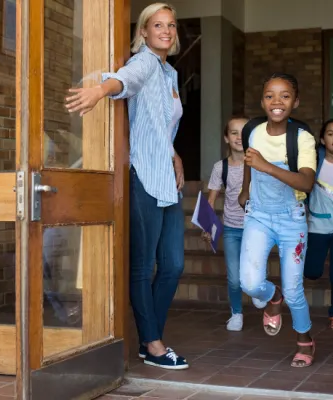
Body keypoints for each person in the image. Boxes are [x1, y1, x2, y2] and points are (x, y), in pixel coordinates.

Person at [65, 2, 188, 370]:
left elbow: (163, 125)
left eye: (171, 25)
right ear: (144, 32)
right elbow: (126, 79)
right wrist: (101, 90)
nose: (166, 31)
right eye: (157, 25)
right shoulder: (146, 62)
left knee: (173, 265)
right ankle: (152, 343)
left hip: (167, 176)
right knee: (142, 265)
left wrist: (175, 154)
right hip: (144, 176)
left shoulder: (171, 74)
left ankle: (150, 339)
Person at [237, 72, 318, 368]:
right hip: (258, 215)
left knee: (296, 290)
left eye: (285, 95)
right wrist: (246, 188)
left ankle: (304, 339)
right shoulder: (253, 130)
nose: (277, 101)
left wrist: (266, 166)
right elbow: (249, 162)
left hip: (291, 220)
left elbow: (306, 183)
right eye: (270, 95)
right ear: (262, 101)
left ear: (295, 102)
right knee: (248, 282)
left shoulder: (302, 138)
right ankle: (274, 296)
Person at [304, 119, 333, 330]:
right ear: (323, 139)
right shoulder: (314, 162)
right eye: (331, 134)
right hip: (317, 226)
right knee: (312, 272)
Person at [203, 116, 249, 331]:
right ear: (226, 138)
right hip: (231, 228)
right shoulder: (220, 167)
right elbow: (211, 200)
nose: (239, 137)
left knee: (252, 274)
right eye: (234, 133)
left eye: (244, 132)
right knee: (234, 277)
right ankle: (237, 313)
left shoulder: (259, 165)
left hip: (256, 228)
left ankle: (261, 293)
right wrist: (207, 227)